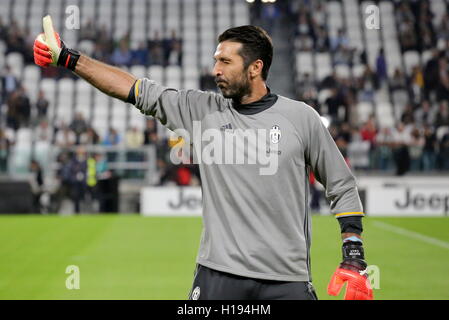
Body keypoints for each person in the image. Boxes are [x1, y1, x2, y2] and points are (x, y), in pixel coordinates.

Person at [33, 22, 372, 300]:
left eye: (226, 62)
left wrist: (353, 255)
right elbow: (132, 89)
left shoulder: (302, 118)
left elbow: (341, 185)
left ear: (256, 68)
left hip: (286, 279)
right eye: (215, 60)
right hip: (218, 275)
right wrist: (69, 59)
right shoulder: (200, 110)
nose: (215, 70)